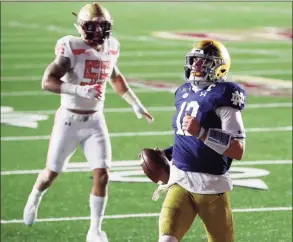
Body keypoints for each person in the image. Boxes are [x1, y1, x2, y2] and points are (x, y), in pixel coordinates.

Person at [23, 3, 153, 242]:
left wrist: (134, 102)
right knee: (52, 172)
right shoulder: (71, 47)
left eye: (102, 25)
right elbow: (47, 81)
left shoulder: (112, 46)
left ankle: (94, 229)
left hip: (95, 121)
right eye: (91, 25)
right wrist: (79, 90)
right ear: (80, 26)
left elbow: (115, 75)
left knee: (102, 174)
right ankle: (35, 196)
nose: (96, 30)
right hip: (69, 121)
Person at [154, 39, 247, 242]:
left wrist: (202, 133)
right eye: (194, 60)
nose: (196, 65)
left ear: (219, 67)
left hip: (212, 188)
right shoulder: (183, 92)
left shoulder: (225, 94)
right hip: (181, 182)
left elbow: (238, 149)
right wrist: (165, 154)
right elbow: (185, 137)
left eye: (203, 62)